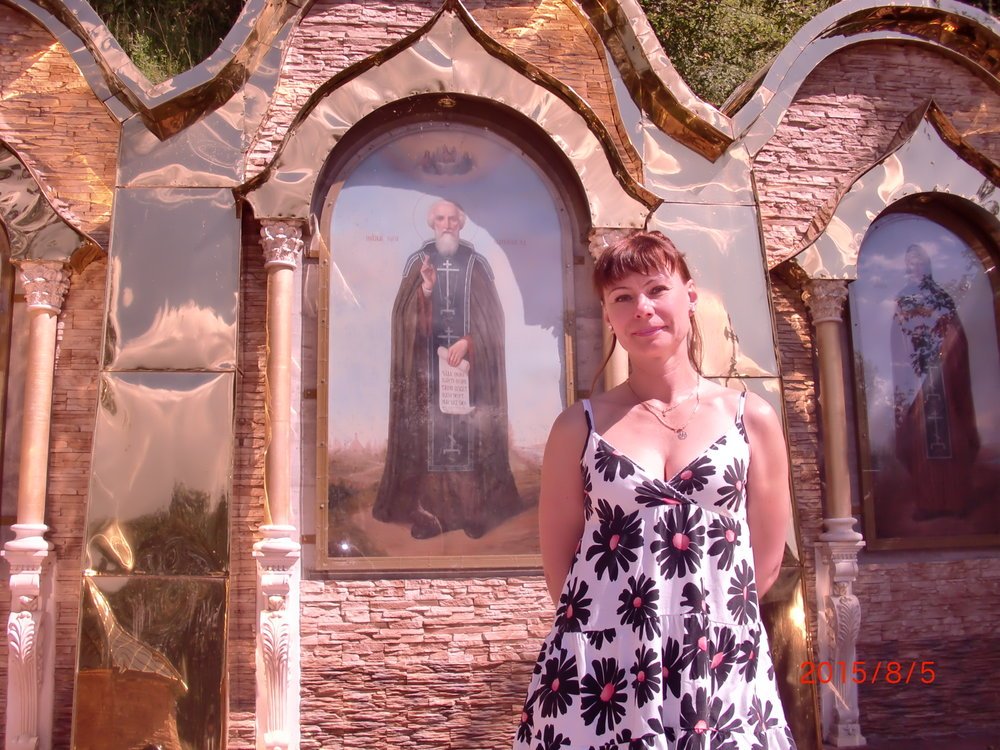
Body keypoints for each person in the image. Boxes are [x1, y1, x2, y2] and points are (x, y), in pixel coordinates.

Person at [514, 231, 796, 749]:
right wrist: (622, 639)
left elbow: (767, 562)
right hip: (603, 670)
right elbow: (561, 568)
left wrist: (697, 632)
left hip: (718, 660)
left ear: (690, 296)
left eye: (656, 289)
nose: (642, 308)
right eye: (622, 297)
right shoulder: (579, 427)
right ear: (608, 316)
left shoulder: (750, 418)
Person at [373, 199, 522, 539]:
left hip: (471, 376)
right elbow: (403, 319)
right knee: (430, 437)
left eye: (453, 219)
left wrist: (468, 342)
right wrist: (426, 288)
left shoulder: (476, 265)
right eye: (441, 218)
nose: (447, 224)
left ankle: (473, 513)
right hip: (427, 377)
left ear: (461, 222)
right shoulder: (418, 262)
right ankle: (430, 516)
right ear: (431, 223)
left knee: (469, 435)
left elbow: (492, 322)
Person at [890, 243, 979, 520]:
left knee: (953, 435)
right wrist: (912, 353)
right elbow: (899, 337)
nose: (914, 265)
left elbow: (954, 335)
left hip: (943, 380)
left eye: (919, 260)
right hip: (918, 380)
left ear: (926, 264)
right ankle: (928, 502)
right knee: (920, 437)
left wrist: (944, 350)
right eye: (910, 261)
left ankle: (956, 500)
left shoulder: (941, 297)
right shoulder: (904, 298)